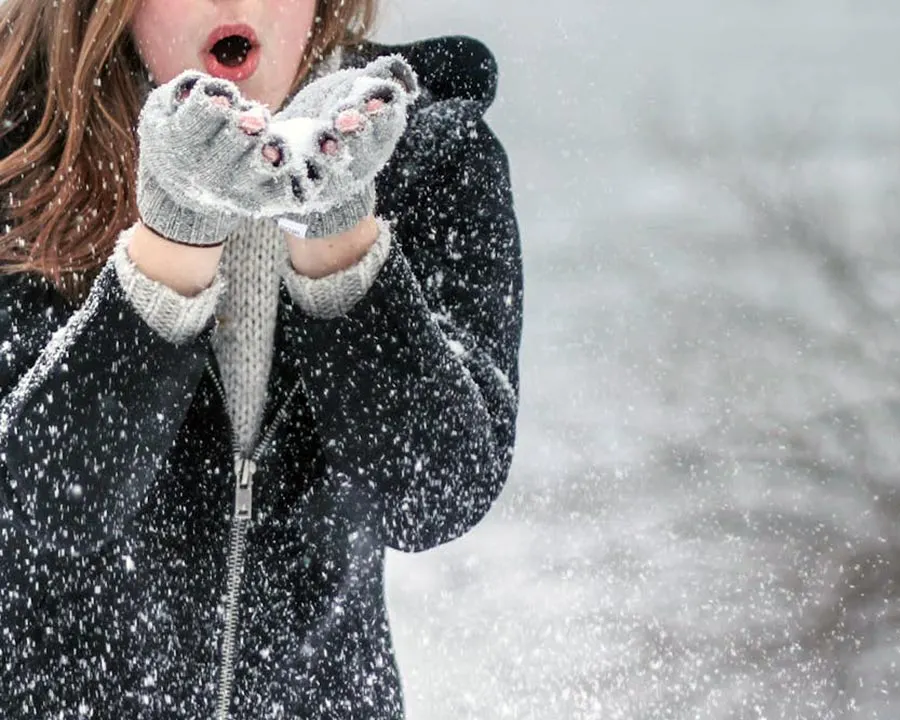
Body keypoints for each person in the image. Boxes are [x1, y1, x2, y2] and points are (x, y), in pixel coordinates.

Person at [0, 0, 522, 717]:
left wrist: (340, 241)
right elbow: (40, 509)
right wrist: (173, 243)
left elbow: (435, 496)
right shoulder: (17, 158)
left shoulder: (429, 154)